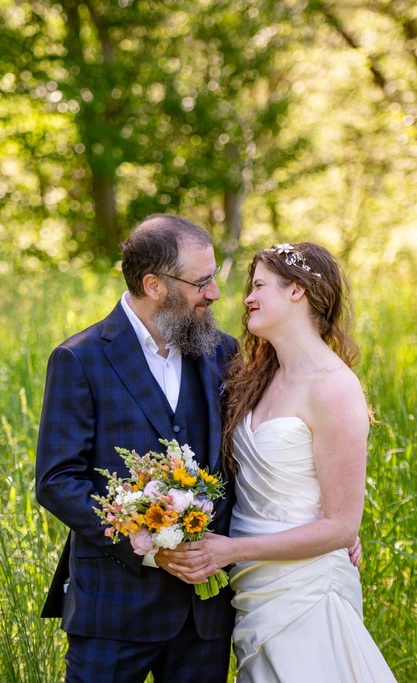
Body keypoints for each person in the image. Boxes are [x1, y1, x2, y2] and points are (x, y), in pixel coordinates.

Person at [168, 242, 396, 681]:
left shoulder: (335, 388)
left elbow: (341, 527)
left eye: (259, 286)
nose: (247, 298)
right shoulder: (255, 376)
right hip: (252, 587)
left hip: (306, 589)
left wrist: (232, 550)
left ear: (298, 292)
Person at [35, 214, 238, 682]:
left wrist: (324, 523)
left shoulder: (224, 352)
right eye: (201, 281)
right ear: (154, 285)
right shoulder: (80, 358)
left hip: (203, 615)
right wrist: (147, 544)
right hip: (113, 607)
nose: (214, 293)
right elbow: (57, 480)